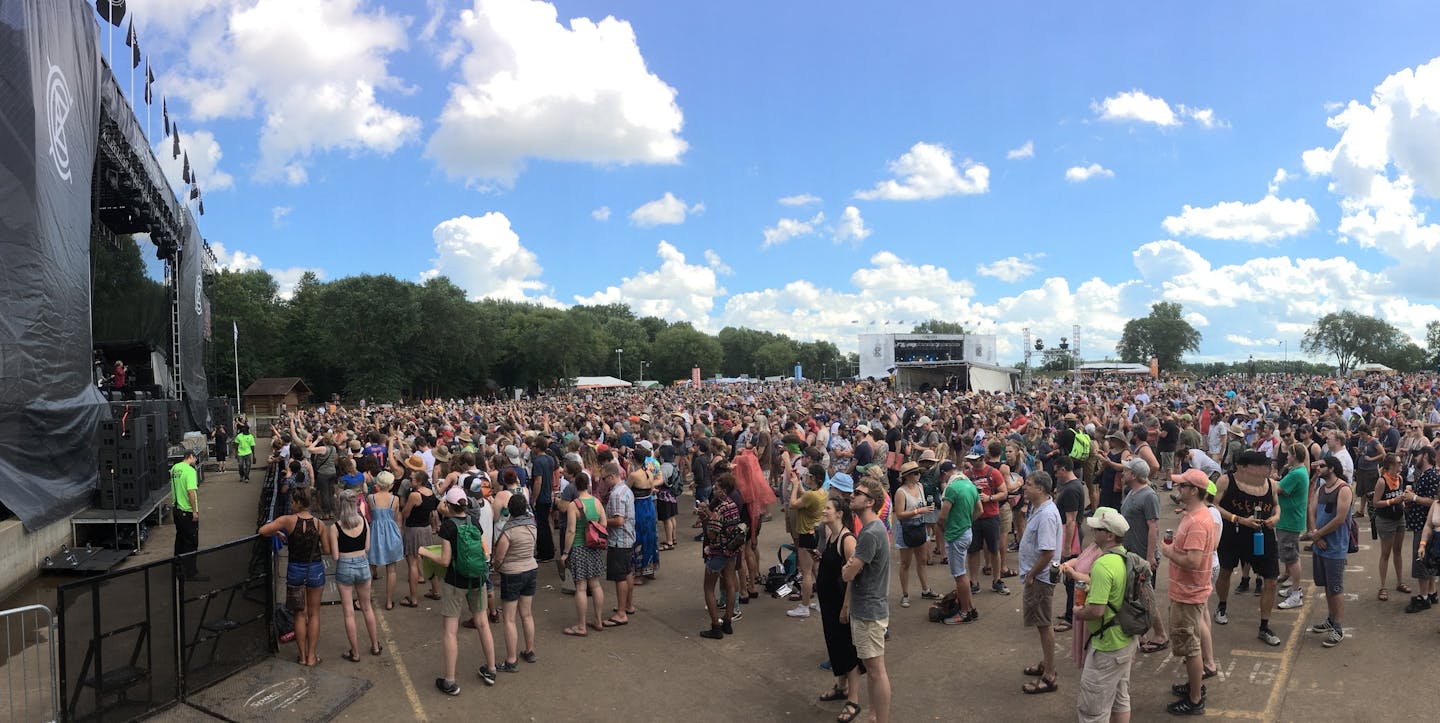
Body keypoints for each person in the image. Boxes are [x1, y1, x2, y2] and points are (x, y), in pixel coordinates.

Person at [419, 486, 497, 694]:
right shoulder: (475, 523)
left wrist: (425, 552)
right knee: (483, 623)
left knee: (450, 631)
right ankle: (491, 669)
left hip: (456, 582)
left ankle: (450, 680)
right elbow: (484, 551)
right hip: (478, 579)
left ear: (449, 506)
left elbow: (445, 560)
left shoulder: (448, 528)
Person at [1071, 507, 1137, 722]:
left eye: (1097, 528)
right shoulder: (1125, 557)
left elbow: (1097, 610)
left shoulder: (1102, 565)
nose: (1092, 531)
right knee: (1120, 696)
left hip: (1107, 645)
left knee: (1093, 710)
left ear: (1109, 535)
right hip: (1126, 638)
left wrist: (1079, 613)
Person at [1161, 470, 1217, 715]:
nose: (1178, 488)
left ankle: (1195, 699)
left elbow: (1193, 561)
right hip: (1188, 590)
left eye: (1183, 485)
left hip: (1188, 592)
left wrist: (1169, 552)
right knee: (1188, 643)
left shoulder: (1196, 522)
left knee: (1191, 647)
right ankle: (1193, 686)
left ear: (1194, 490)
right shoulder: (1198, 515)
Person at [1213, 451, 1283, 647]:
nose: (1265, 470)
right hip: (1233, 534)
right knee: (1225, 571)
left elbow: (1277, 506)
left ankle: (1264, 626)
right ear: (1243, 467)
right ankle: (1221, 605)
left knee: (1271, 580)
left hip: (1262, 535)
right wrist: (1238, 519)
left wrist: (1276, 517)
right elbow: (1213, 504)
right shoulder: (1226, 481)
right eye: (1260, 467)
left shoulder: (1270, 484)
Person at [259, 487, 329, 666]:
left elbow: (263, 531)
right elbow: (327, 550)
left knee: (299, 613)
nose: (290, 504)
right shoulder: (319, 524)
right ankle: (312, 656)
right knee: (314, 614)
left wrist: (280, 534)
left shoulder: (287, 521)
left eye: (292, 501)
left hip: (295, 569)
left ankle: (302, 656)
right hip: (314, 568)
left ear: (298, 503)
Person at [842, 476, 892, 723]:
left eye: (858, 493)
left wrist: (847, 568)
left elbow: (848, 573)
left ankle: (880, 719)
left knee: (875, 671)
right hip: (869, 607)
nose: (853, 495)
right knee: (873, 670)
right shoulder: (872, 530)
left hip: (870, 609)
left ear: (870, 501)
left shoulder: (870, 533)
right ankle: (874, 715)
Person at [816, 497, 865, 721]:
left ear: (838, 513)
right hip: (828, 603)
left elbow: (853, 577)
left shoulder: (847, 540)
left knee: (848, 651)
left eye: (828, 508)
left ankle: (853, 700)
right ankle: (841, 686)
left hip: (840, 605)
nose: (824, 511)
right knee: (835, 646)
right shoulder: (830, 535)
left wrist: (846, 606)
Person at [1017, 471, 1061, 695]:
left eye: (1029, 484)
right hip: (1038, 575)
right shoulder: (1038, 508)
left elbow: (1047, 552)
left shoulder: (1046, 515)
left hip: (1041, 578)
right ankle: (1046, 662)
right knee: (1042, 624)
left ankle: (1050, 674)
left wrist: (1032, 575)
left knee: (1044, 624)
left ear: (1041, 489)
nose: (1025, 487)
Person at [1305, 457, 1352, 648]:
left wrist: (1317, 535)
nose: (1318, 467)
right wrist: (1317, 536)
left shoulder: (1344, 489)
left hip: (1335, 547)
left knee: (1336, 588)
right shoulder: (1321, 488)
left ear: (1332, 468)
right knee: (1326, 585)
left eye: (1322, 466)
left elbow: (1340, 518)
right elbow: (1311, 509)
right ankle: (1331, 619)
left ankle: (1338, 627)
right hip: (1321, 545)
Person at [330, 489, 380, 660]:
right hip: (362, 564)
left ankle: (355, 653)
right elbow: (367, 548)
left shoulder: (335, 527)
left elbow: (335, 556)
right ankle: (375, 645)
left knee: (349, 612)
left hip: (344, 566)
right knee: (367, 607)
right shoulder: (364, 522)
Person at [493, 494, 539, 671]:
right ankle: (529, 650)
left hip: (512, 574)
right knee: (526, 614)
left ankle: (511, 660)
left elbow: (499, 557)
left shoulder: (508, 531)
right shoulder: (532, 525)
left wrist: (497, 567)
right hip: (530, 569)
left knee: (509, 618)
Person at [561, 469, 607, 636]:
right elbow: (604, 522)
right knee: (595, 584)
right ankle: (599, 619)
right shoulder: (597, 502)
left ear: (575, 485)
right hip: (594, 547)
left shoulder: (574, 505)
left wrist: (566, 552)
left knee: (581, 587)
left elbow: (571, 530)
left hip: (579, 547)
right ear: (588, 485)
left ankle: (581, 625)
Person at [699, 473, 742, 639]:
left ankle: (715, 626)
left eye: (716, 488)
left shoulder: (719, 508)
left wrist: (706, 518)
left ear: (723, 491)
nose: (714, 490)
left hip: (717, 552)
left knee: (709, 588)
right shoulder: (732, 505)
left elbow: (712, 533)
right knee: (730, 583)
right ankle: (728, 621)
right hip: (731, 550)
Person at [938, 460, 982, 624]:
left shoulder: (952, 488)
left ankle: (964, 613)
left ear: (945, 474)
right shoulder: (969, 485)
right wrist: (968, 522)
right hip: (966, 532)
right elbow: (980, 510)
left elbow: (942, 516)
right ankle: (970, 608)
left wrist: (944, 529)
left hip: (956, 535)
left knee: (960, 576)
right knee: (962, 574)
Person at [893, 461, 939, 608]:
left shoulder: (920, 487)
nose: (919, 475)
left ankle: (926, 589)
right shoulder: (901, 492)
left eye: (919, 472)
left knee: (922, 560)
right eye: (915, 473)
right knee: (905, 563)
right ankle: (905, 594)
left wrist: (925, 509)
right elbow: (899, 514)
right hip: (907, 530)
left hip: (920, 528)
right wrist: (919, 511)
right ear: (907, 476)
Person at [787, 462, 828, 619]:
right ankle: (819, 602)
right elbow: (807, 496)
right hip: (816, 533)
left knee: (806, 573)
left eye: (808, 476)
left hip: (806, 534)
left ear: (814, 478)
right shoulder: (821, 493)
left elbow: (792, 504)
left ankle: (804, 606)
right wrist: (799, 482)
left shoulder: (812, 495)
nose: (806, 478)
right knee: (816, 570)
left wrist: (796, 485)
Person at [1275, 444, 1311, 610]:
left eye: (1289, 455)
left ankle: (1296, 593)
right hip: (1290, 519)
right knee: (1290, 555)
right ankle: (1294, 588)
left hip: (1290, 520)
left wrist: (1265, 479)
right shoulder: (1298, 471)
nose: (1287, 457)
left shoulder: (1296, 473)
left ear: (1295, 456)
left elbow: (1278, 488)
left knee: (1292, 557)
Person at [1403, 446, 1439, 612]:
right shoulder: (1428, 474)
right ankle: (1431, 593)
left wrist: (1414, 497)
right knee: (1429, 561)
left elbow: (1434, 501)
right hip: (1423, 523)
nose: (1415, 458)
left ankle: (1423, 597)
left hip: (1425, 525)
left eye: (1417, 455)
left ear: (1425, 456)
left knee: (1421, 560)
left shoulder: (1431, 475)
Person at [399, 468, 441, 607]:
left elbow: (405, 513)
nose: (410, 480)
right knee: (429, 561)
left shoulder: (415, 495)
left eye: (412, 479)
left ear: (419, 481)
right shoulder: (430, 493)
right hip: (426, 529)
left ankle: (413, 598)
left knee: (412, 563)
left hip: (414, 530)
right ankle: (435, 591)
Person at [1372, 453, 1409, 602]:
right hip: (1386, 520)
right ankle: (1383, 586)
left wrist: (1403, 501)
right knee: (1385, 553)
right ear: (1391, 465)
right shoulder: (1382, 481)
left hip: (1399, 518)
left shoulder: (1399, 479)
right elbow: (1375, 503)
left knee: (1398, 551)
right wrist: (1393, 501)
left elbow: (1400, 498)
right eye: (1399, 463)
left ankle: (1400, 582)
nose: (1401, 465)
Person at [367, 471, 404, 611]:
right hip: (391, 532)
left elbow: (371, 515)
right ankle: (389, 602)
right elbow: (396, 516)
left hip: (375, 532)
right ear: (390, 484)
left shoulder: (371, 498)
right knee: (392, 569)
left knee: (370, 567)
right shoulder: (395, 499)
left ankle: (365, 599)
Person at [604, 470, 637, 627]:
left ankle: (621, 613)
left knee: (620, 576)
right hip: (628, 538)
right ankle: (627, 605)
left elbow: (618, 520)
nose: (603, 482)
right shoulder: (626, 489)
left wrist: (601, 521)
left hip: (619, 539)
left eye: (605, 478)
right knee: (627, 572)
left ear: (611, 476)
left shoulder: (616, 494)